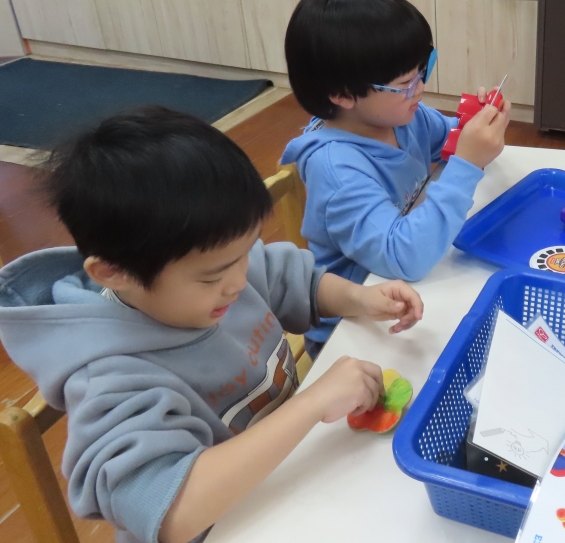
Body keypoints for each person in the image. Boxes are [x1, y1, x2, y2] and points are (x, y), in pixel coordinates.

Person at [0, 107, 423, 543]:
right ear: (114, 273)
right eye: (212, 277)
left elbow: (291, 279)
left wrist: (360, 298)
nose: (239, 281)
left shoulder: (213, 265)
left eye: (245, 253)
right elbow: (171, 512)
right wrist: (313, 403)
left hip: (286, 485)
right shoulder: (109, 379)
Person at [282, 0, 511, 357]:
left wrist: (476, 124)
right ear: (342, 94)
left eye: (424, 69)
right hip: (352, 333)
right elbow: (405, 257)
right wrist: (469, 162)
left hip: (406, 298)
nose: (420, 88)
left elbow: (449, 140)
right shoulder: (336, 169)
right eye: (405, 83)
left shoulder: (402, 117)